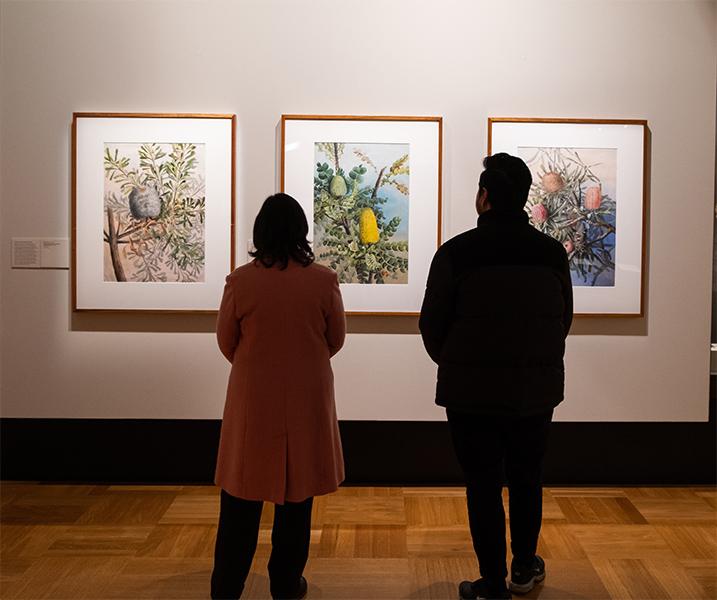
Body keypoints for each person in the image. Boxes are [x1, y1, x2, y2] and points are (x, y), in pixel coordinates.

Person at [419, 153, 573, 600]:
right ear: (523, 197)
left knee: (482, 484)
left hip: (470, 394)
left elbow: (432, 325)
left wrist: (453, 362)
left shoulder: (456, 252)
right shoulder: (549, 254)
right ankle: (524, 567)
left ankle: (492, 581)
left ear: (484, 196)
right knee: (527, 477)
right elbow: (561, 319)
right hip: (534, 389)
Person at [211, 193, 346, 600]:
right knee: (297, 497)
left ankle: (227, 586)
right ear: (302, 231)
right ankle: (286, 582)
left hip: (254, 401)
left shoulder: (241, 281)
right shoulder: (323, 280)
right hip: (306, 399)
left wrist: (260, 367)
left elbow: (226, 342)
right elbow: (335, 339)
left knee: (239, 501)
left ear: (260, 232)